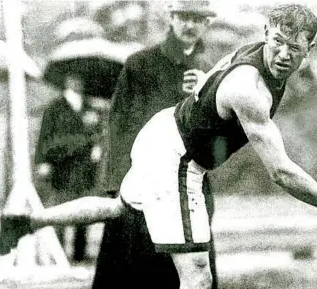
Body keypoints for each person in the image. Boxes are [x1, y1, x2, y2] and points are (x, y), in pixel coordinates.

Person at [0, 4, 317, 289]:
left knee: (117, 207)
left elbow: (216, 70)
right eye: (278, 43)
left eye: (294, 48)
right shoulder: (249, 91)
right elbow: (281, 172)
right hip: (176, 161)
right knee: (198, 278)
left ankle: (27, 221)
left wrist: (202, 86)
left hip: (161, 131)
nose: (283, 54)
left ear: (310, 49)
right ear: (267, 34)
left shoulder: (251, 50)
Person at [95, 1, 218, 288]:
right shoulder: (140, 64)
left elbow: (216, 142)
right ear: (171, 17)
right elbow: (120, 127)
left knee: (191, 271)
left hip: (189, 185)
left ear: (207, 23)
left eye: (198, 19)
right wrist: (117, 186)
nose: (190, 25)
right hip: (144, 183)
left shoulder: (209, 71)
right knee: (136, 270)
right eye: (184, 17)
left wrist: (202, 98)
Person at [35, 72, 100, 262]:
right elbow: (45, 135)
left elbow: (98, 134)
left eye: (81, 79)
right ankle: (60, 252)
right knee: (62, 208)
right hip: (61, 164)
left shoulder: (90, 108)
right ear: (66, 81)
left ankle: (80, 252)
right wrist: (42, 161)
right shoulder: (55, 108)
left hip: (83, 166)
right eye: (73, 79)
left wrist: (96, 141)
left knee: (84, 208)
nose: (77, 82)